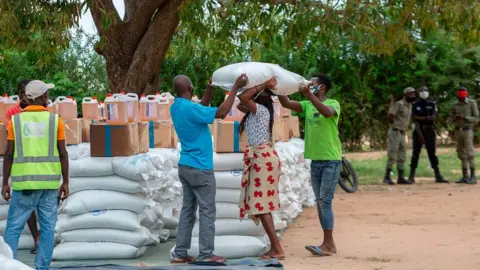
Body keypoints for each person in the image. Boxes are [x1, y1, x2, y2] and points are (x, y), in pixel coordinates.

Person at [170, 74, 248, 263]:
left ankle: (180, 252)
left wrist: (209, 87)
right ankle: (206, 254)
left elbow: (202, 108)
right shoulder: (189, 108)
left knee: (188, 210)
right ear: (189, 88)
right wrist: (236, 87)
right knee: (207, 211)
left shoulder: (177, 107)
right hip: (200, 167)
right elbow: (221, 113)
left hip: (185, 165)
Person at [2, 80, 69, 270]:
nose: (48, 97)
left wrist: (4, 183)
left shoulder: (15, 121)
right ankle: (42, 268)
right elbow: (63, 153)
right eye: (46, 94)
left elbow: (9, 153)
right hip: (49, 184)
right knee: (48, 229)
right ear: (42, 98)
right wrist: (66, 182)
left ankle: (8, 265)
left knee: (13, 228)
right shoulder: (56, 121)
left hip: (24, 185)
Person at [278, 73, 341, 256]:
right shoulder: (306, 105)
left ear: (321, 88)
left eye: (311, 83)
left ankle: (328, 245)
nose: (307, 85)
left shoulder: (333, 103)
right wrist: (277, 89)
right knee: (321, 202)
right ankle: (329, 244)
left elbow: (327, 112)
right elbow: (286, 103)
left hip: (331, 160)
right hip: (316, 162)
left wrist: (309, 95)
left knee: (325, 202)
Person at [236, 77, 285, 260]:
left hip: (262, 159)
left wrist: (263, 85)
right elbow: (242, 101)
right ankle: (275, 247)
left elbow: (243, 99)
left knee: (261, 205)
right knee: (262, 205)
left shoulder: (261, 111)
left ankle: (277, 249)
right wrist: (251, 89)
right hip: (262, 158)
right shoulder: (255, 112)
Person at [4, 80, 41, 255]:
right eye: (19, 92)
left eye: (24, 92)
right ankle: (36, 238)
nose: (22, 95)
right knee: (25, 206)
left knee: (37, 205)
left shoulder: (43, 111)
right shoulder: (12, 113)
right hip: (22, 165)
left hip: (40, 164)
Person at [408, 86, 448, 183]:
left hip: (430, 131)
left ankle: (438, 175)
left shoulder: (432, 104)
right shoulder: (414, 104)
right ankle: (411, 176)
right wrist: (421, 134)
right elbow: (414, 119)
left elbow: (434, 115)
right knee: (415, 154)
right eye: (421, 90)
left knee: (432, 153)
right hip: (418, 132)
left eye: (425, 90)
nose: (423, 92)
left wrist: (428, 118)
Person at [383, 87, 417, 185]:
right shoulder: (399, 104)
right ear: (405, 95)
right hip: (395, 132)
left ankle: (401, 177)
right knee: (392, 154)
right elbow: (390, 115)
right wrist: (393, 125)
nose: (413, 96)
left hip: (403, 133)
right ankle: (387, 176)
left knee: (402, 155)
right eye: (410, 94)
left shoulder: (410, 105)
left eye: (414, 94)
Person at [450, 87, 479, 184]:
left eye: (462, 97)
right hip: (458, 131)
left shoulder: (471, 103)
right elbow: (450, 118)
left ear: (465, 95)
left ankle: (473, 176)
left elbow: (476, 118)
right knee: (461, 153)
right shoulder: (454, 105)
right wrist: (454, 118)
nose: (460, 99)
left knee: (469, 153)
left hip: (468, 131)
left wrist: (465, 118)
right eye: (459, 97)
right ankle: (465, 176)